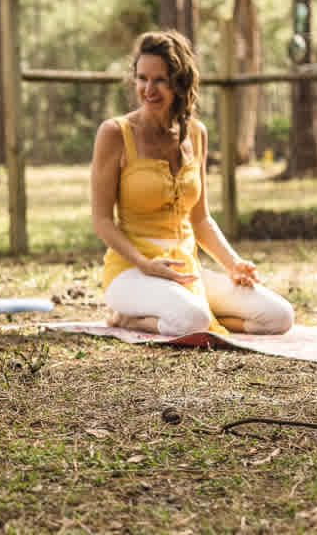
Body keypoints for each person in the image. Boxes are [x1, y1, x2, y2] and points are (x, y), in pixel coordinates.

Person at [90, 30, 294, 336]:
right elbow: (102, 221)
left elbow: (201, 220)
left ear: (179, 81)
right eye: (142, 78)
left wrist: (233, 263)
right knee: (192, 319)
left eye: (159, 79)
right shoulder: (115, 134)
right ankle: (130, 318)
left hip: (184, 269)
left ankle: (202, 320)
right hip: (130, 271)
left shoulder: (196, 133)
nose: (148, 89)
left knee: (279, 316)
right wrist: (145, 264)